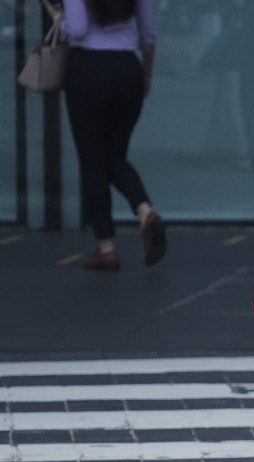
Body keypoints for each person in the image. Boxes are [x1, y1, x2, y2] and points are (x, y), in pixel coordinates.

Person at [59, 0, 166, 271]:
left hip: (87, 69)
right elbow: (149, 34)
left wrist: (57, 18)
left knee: (92, 161)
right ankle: (145, 212)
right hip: (127, 69)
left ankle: (106, 248)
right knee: (115, 156)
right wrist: (147, 73)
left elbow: (78, 29)